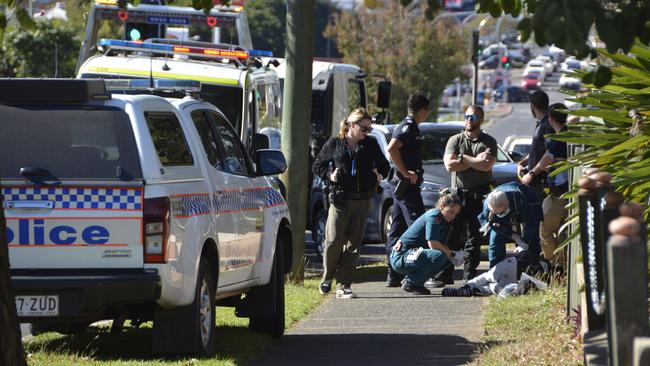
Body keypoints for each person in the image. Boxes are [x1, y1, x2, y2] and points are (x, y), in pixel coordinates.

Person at [313, 107, 390, 299]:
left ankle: (344, 285)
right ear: (352, 125)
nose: (367, 133)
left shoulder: (370, 144)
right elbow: (317, 165)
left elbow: (385, 166)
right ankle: (327, 278)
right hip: (340, 199)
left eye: (369, 129)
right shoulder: (335, 143)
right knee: (333, 241)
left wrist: (379, 175)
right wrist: (330, 175)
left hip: (363, 200)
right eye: (364, 128)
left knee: (353, 244)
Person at [432, 105, 498, 286]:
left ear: (481, 119)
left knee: (474, 238)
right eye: (467, 116)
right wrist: (475, 160)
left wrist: (462, 157)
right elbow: (449, 166)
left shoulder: (488, 142)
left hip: (480, 195)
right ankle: (445, 274)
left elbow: (486, 166)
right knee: (451, 236)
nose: (469, 119)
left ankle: (469, 275)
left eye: (474, 117)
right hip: (458, 196)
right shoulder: (455, 140)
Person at [385, 92, 430, 287]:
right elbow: (392, 148)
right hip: (406, 185)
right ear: (422, 111)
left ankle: (393, 273)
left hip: (403, 186)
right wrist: (406, 172)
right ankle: (415, 274)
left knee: (398, 229)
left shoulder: (409, 126)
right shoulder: (408, 127)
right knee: (418, 226)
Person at [524, 103, 569, 271]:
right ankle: (565, 266)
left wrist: (532, 173)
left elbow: (546, 159)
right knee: (564, 233)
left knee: (545, 231)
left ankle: (558, 264)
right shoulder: (571, 135)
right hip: (568, 195)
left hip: (559, 195)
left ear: (550, 119)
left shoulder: (559, 138)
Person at [390, 194, 464, 295]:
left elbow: (442, 245)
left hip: (414, 255)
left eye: (455, 213)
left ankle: (415, 281)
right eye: (451, 212)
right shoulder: (433, 216)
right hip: (402, 256)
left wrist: (456, 256)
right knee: (440, 255)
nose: (453, 216)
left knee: (446, 258)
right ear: (442, 206)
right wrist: (453, 254)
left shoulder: (446, 221)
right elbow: (433, 243)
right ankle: (411, 283)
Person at [478, 181, 544, 267]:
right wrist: (513, 236)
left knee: (532, 239)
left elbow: (531, 223)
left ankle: (533, 268)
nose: (500, 215)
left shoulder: (519, 198)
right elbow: (494, 226)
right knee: (495, 239)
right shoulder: (487, 206)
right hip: (501, 213)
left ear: (507, 203)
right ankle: (495, 270)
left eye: (502, 212)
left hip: (527, 202)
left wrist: (524, 242)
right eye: (496, 213)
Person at [518, 90, 554, 200]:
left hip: (541, 183)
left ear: (532, 106)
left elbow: (549, 154)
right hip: (535, 182)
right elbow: (538, 150)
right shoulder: (541, 124)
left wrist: (532, 174)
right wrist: (522, 162)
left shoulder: (547, 125)